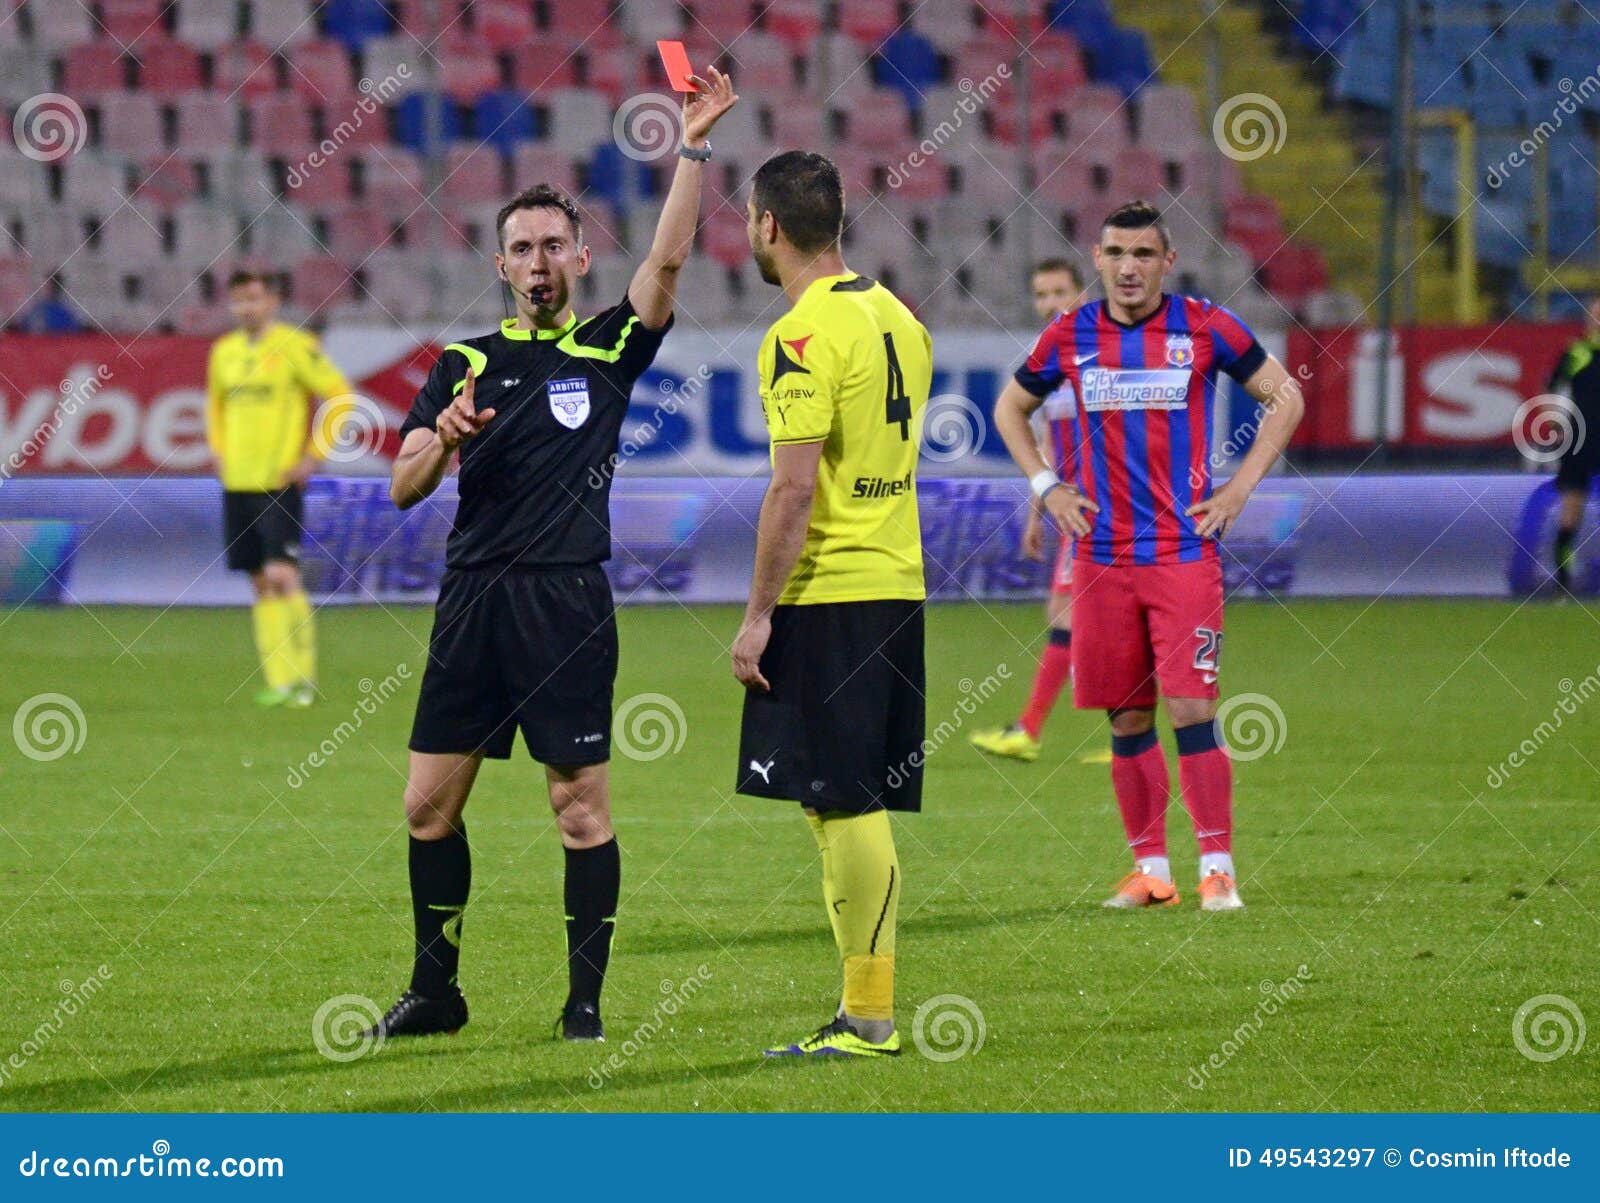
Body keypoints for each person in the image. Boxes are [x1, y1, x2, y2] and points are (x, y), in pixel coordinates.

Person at [364, 69, 737, 1043]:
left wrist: (691, 146)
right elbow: (401, 487)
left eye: (550, 247)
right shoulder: (462, 362)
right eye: (519, 248)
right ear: (500, 265)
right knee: (426, 808)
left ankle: (582, 1003)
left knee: (578, 808)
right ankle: (436, 993)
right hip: (473, 600)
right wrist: (441, 436)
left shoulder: (609, 349)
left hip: (566, 603)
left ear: (578, 256)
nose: (536, 262)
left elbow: (666, 265)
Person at [993, 200, 1304, 912]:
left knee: (1192, 704)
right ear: (1096, 261)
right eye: (1115, 254)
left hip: (1180, 552)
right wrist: (1046, 484)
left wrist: (1239, 489)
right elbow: (1011, 407)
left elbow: (1284, 398)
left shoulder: (1204, 326)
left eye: (1142, 254)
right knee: (1128, 717)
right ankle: (1150, 870)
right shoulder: (1070, 334)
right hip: (1100, 557)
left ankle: (1218, 868)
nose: (1128, 267)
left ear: (1167, 262)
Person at [731, 150, 933, 1058]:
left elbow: (793, 491)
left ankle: (869, 1017)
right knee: (839, 800)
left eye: (748, 218)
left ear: (768, 225)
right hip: (894, 580)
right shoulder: (900, 317)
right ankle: (863, 1009)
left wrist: (758, 613)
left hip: (832, 589)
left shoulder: (801, 335)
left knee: (843, 801)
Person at [206, 268, 354, 708]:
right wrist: (217, 450)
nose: (246, 308)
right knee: (259, 581)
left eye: (255, 298)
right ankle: (278, 680)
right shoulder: (223, 352)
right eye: (239, 300)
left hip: (278, 482)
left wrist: (314, 453)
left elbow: (340, 396)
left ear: (272, 301)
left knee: (282, 575)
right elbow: (215, 407)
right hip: (237, 481)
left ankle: (302, 679)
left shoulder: (295, 346)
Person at [971, 257, 1090, 761]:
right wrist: (1036, 512)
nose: (1050, 303)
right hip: (1070, 510)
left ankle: (1029, 730)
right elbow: (1044, 443)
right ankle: (1128, 734)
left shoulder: (1097, 354)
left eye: (1060, 291)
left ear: (1081, 294)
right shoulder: (1048, 361)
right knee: (1103, 619)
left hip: (1096, 510)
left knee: (1066, 612)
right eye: (1041, 294)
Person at [1544, 296, 1600, 594]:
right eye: (1596, 315)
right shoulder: (1576, 352)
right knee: (1571, 509)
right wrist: (1553, 421)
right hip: (1581, 438)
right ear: (1588, 321)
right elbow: (1552, 387)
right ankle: (1563, 581)